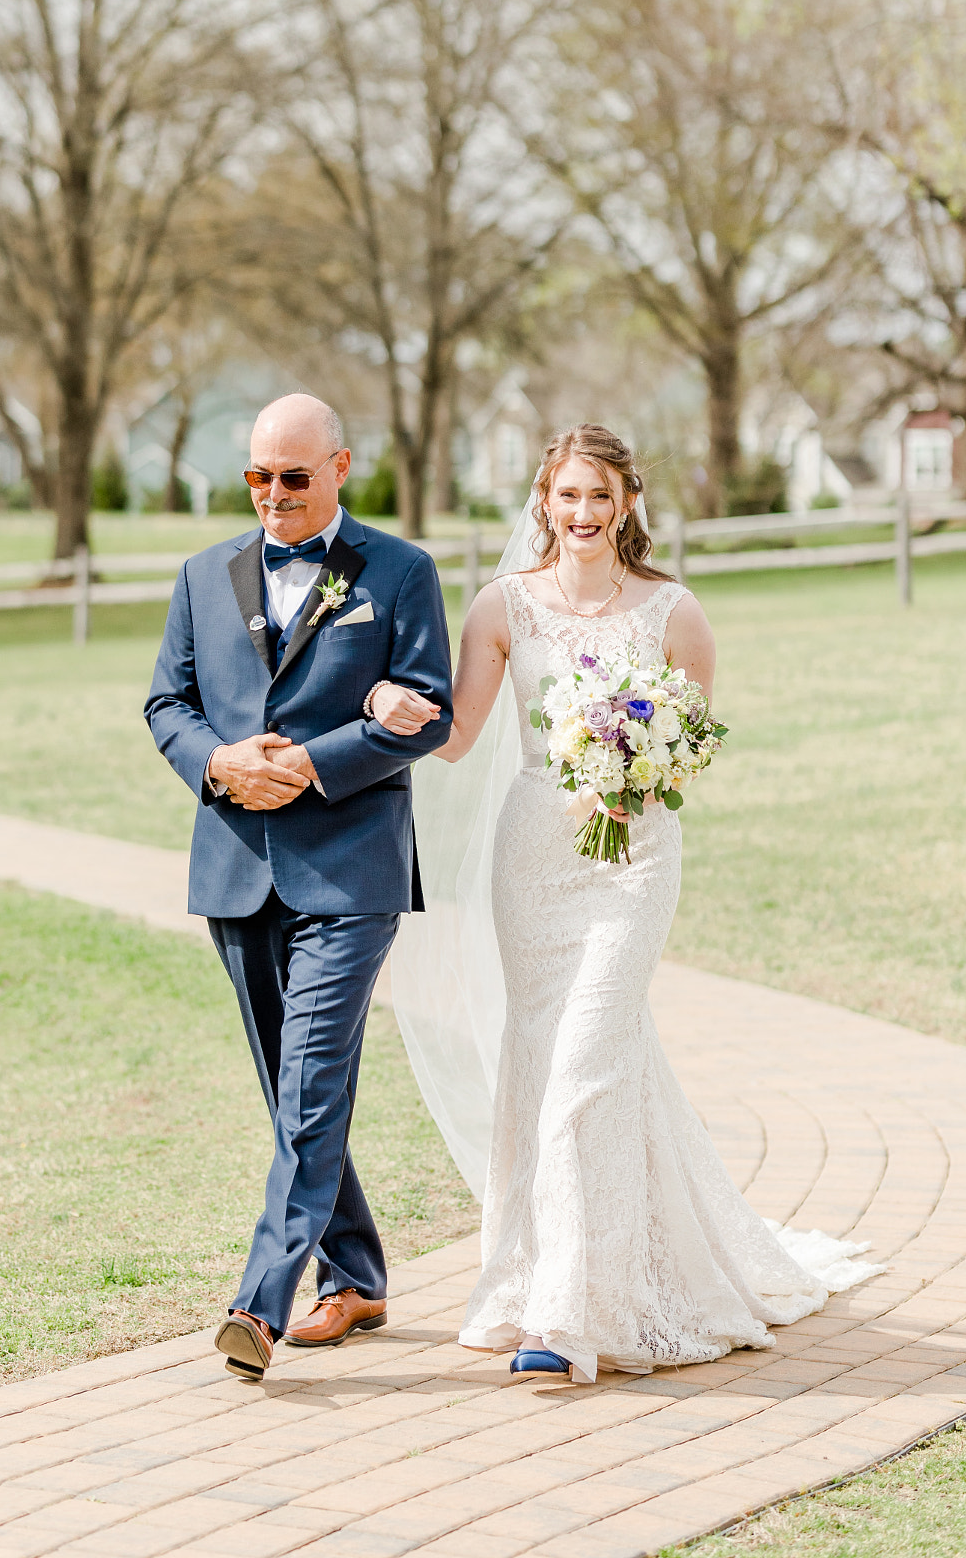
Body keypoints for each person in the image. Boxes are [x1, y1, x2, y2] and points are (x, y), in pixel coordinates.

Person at [380, 425, 878, 1383]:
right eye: (565, 496)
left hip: (633, 860)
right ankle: (538, 1274)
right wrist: (389, 715)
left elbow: (690, 745)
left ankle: (568, 1313)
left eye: (598, 497)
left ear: (626, 503)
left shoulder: (672, 613)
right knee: (545, 1061)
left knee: (585, 1064)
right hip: (532, 858)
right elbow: (455, 736)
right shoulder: (501, 607)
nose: (580, 515)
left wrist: (633, 764)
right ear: (542, 501)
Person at [144, 393, 453, 1382]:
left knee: (311, 1084)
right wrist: (222, 762)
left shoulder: (400, 572)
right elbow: (166, 700)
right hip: (235, 865)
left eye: (294, 476)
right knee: (294, 1095)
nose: (273, 496)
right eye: (258, 477)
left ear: (341, 466)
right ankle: (356, 1273)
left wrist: (312, 762)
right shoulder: (204, 574)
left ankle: (258, 1304)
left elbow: (432, 711)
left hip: (350, 866)